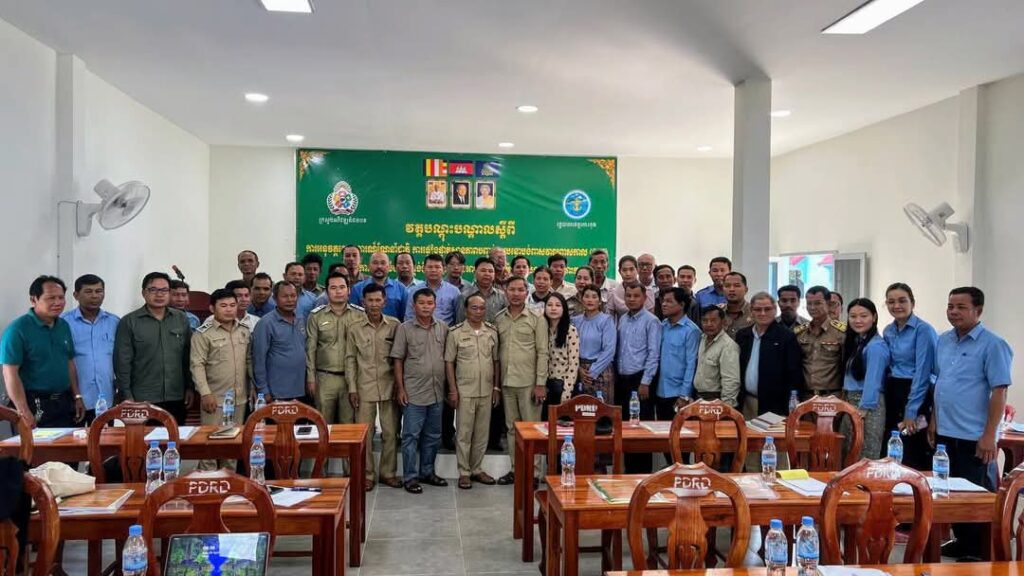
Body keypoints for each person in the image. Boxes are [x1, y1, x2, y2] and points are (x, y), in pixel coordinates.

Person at [930, 287, 1012, 561]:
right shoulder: (944, 341)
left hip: (974, 434)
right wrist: (934, 420)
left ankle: (979, 550)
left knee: (976, 494)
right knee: (950, 490)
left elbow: (999, 391)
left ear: (978, 310)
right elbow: (940, 383)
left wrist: (989, 435)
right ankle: (962, 541)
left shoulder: (993, 344)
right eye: (950, 306)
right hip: (945, 432)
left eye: (961, 307)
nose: (954, 312)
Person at [2, 275, 83, 428]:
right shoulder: (17, 330)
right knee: (35, 444)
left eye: (61, 297)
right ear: (34, 300)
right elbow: (10, 373)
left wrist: (77, 396)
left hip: (64, 403)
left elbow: (69, 363)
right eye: (51, 298)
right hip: (33, 403)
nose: (58, 302)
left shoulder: (63, 326)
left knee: (67, 443)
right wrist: (23, 411)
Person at [736, 292, 803, 473]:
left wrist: (792, 405)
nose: (762, 313)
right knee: (750, 449)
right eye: (758, 309)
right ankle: (752, 485)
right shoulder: (743, 335)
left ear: (775, 310)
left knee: (775, 451)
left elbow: (794, 373)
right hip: (748, 402)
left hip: (776, 405)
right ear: (751, 311)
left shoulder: (786, 336)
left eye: (767, 309)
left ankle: (777, 486)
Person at [114, 272, 193, 424]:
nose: (159, 294)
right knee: (143, 438)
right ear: (144, 293)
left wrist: (190, 387)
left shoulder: (180, 319)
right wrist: (126, 395)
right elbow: (122, 362)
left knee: (175, 437)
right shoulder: (129, 322)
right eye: (153, 290)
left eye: (164, 290)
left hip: (176, 395)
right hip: (142, 398)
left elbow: (187, 355)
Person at [391, 288, 449, 493]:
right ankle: (410, 477)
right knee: (410, 437)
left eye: (429, 303)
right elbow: (398, 360)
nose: (426, 307)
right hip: (413, 392)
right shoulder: (404, 329)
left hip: (437, 391)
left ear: (435, 305)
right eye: (421, 303)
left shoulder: (443, 328)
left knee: (433, 435)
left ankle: (427, 472)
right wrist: (400, 389)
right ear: (413, 306)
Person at [495, 276, 549, 485]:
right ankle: (516, 470)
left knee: (532, 429)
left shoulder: (537, 319)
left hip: (529, 384)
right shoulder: (499, 318)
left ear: (527, 293)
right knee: (512, 429)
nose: (516, 294)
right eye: (512, 289)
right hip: (507, 382)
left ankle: (533, 473)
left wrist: (540, 384)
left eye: (520, 290)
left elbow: (543, 352)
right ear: (505, 291)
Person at [346, 282, 401, 490]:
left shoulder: (395, 325)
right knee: (365, 434)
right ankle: (367, 474)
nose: (374, 304)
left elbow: (400, 358)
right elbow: (350, 359)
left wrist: (399, 385)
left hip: (389, 386)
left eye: (378, 300)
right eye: (370, 300)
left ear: (384, 302)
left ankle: (388, 473)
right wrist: (352, 388)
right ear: (363, 302)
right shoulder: (355, 328)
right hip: (364, 387)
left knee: (390, 432)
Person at [190, 288, 251, 471]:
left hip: (239, 399)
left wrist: (253, 388)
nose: (229, 309)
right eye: (223, 306)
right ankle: (208, 482)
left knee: (232, 446)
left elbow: (249, 361)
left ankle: (229, 482)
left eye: (232, 305)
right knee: (209, 446)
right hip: (215, 399)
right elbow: (197, 365)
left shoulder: (244, 331)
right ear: (212, 308)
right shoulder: (203, 334)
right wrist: (205, 393)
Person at [445, 293, 501, 489]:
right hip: (464, 391)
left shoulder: (491, 332)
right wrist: (453, 390)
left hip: (486, 390)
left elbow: (496, 361)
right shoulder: (455, 333)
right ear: (466, 310)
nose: (478, 312)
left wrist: (496, 387)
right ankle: (464, 472)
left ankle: (476, 469)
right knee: (464, 433)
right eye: (474, 308)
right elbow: (449, 363)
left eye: (482, 308)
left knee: (481, 433)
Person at [883, 283, 938, 471]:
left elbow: (923, 373)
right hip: (893, 390)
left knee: (913, 448)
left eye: (902, 301)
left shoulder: (923, 330)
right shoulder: (888, 331)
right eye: (891, 302)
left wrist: (911, 410)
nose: (896, 306)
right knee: (892, 447)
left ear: (912, 303)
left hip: (916, 392)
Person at [308, 272, 365, 427]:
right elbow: (311, 349)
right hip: (325, 378)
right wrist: (311, 378)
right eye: (333, 288)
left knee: (348, 426)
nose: (338, 291)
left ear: (349, 290)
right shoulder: (316, 316)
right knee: (323, 424)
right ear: (326, 292)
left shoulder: (360, 315)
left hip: (352, 379)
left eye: (342, 287)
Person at [615, 282, 661, 473]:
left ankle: (642, 474)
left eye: (636, 296)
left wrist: (645, 382)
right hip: (622, 380)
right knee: (625, 428)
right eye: (628, 296)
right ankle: (628, 473)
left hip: (640, 380)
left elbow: (653, 353)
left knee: (641, 430)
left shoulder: (652, 321)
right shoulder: (623, 319)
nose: (632, 299)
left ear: (644, 298)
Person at [62, 274, 119, 424]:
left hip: (106, 399)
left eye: (99, 291)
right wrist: (76, 396)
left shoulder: (114, 322)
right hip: (75, 399)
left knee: (106, 438)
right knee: (75, 438)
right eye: (88, 291)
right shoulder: (63, 323)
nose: (94, 296)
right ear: (76, 295)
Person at [841, 298, 889, 459]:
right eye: (853, 316)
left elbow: (873, 381)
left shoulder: (876, 346)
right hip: (851, 403)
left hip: (867, 406)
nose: (858, 320)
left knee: (865, 454)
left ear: (874, 317)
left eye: (863, 316)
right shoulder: (857, 342)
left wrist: (863, 410)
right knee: (848, 452)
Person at [251, 282, 308, 403]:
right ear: (275, 298)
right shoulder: (265, 323)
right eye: (285, 296)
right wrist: (264, 391)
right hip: (276, 392)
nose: (290, 300)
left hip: (300, 390)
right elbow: (259, 360)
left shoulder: (301, 318)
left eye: (293, 296)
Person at [653, 288, 700, 419]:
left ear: (682, 304)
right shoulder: (663, 325)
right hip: (660, 390)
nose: (664, 304)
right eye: (663, 301)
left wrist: (684, 395)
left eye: (669, 301)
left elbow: (691, 364)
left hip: (678, 393)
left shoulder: (691, 330)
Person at [795, 286, 845, 399]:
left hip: (832, 396)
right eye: (809, 303)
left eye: (818, 303)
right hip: (805, 396)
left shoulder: (841, 333)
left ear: (828, 304)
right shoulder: (800, 332)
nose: (812, 307)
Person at [571, 284, 617, 400]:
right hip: (578, 370)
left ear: (600, 301)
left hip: (601, 369)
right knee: (580, 407)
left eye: (594, 297)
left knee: (601, 408)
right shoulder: (575, 321)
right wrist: (578, 369)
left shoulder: (606, 320)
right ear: (581, 300)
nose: (590, 300)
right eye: (586, 296)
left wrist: (592, 372)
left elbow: (609, 350)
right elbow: (570, 348)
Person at [693, 306, 741, 407]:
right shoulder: (702, 338)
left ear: (723, 322)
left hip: (716, 400)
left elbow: (731, 381)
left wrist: (726, 407)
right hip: (699, 397)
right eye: (705, 320)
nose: (709, 324)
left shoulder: (728, 346)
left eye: (713, 320)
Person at [543, 292, 580, 406]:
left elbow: (573, 364)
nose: (553, 308)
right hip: (544, 385)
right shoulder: (542, 329)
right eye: (550, 305)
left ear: (564, 308)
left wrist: (567, 392)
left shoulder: (571, 330)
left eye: (558, 305)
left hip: (562, 384)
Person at [405, 253, 460, 326]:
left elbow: (458, 319)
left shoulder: (454, 291)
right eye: (430, 267)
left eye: (437, 267)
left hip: (446, 331)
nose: (433, 270)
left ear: (444, 270)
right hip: (419, 331)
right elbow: (409, 317)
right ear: (424, 269)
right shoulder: (414, 291)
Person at [351, 251, 409, 321]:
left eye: (383, 263)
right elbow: (354, 317)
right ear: (369, 266)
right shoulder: (357, 289)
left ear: (389, 266)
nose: (379, 266)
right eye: (375, 263)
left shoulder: (401, 289)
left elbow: (405, 318)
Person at [454, 257, 507, 323]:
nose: (487, 274)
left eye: (490, 271)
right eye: (483, 270)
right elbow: (460, 322)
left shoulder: (502, 296)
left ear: (494, 274)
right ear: (474, 273)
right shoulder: (465, 296)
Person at [721, 271, 753, 340]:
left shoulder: (754, 312)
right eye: (727, 286)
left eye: (737, 285)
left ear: (746, 289)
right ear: (723, 290)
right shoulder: (717, 312)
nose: (732, 289)